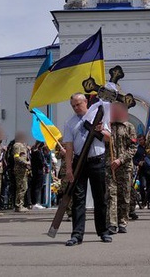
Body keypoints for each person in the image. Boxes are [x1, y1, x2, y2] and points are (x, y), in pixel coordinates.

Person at [62, 93, 112, 246]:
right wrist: (69, 169)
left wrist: (101, 130)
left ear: (86, 102)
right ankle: (77, 235)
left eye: (78, 104)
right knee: (78, 199)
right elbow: (69, 148)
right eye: (73, 106)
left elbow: (109, 138)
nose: (76, 108)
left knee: (100, 198)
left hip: (97, 160)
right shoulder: (70, 123)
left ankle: (103, 231)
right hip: (80, 162)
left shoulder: (98, 116)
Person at [106, 101, 137, 233]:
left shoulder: (129, 127)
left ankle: (122, 221)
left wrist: (120, 160)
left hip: (125, 166)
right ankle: (112, 223)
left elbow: (133, 147)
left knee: (124, 194)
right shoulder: (107, 126)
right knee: (111, 194)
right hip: (110, 166)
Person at [133, 135, 150, 210]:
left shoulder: (149, 147)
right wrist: (138, 163)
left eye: (141, 140)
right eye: (139, 140)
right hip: (142, 170)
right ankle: (143, 201)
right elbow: (134, 159)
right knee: (142, 186)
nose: (140, 141)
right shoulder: (137, 149)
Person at [12, 132, 31, 213]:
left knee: (24, 187)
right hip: (19, 170)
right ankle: (19, 205)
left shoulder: (22, 145)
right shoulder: (17, 145)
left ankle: (20, 204)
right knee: (21, 187)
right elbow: (16, 157)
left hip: (23, 169)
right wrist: (26, 163)